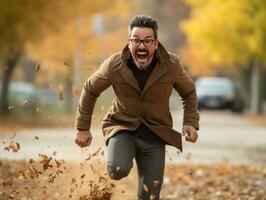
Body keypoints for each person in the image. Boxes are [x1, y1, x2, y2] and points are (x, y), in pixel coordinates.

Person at [75, 15, 199, 200]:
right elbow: (90, 89)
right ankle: (125, 157)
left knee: (150, 196)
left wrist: (190, 122)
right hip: (123, 129)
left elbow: (188, 92)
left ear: (156, 43)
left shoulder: (171, 65)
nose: (142, 46)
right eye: (136, 40)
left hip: (156, 134)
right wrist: (82, 128)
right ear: (129, 42)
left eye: (148, 41)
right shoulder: (114, 64)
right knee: (117, 169)